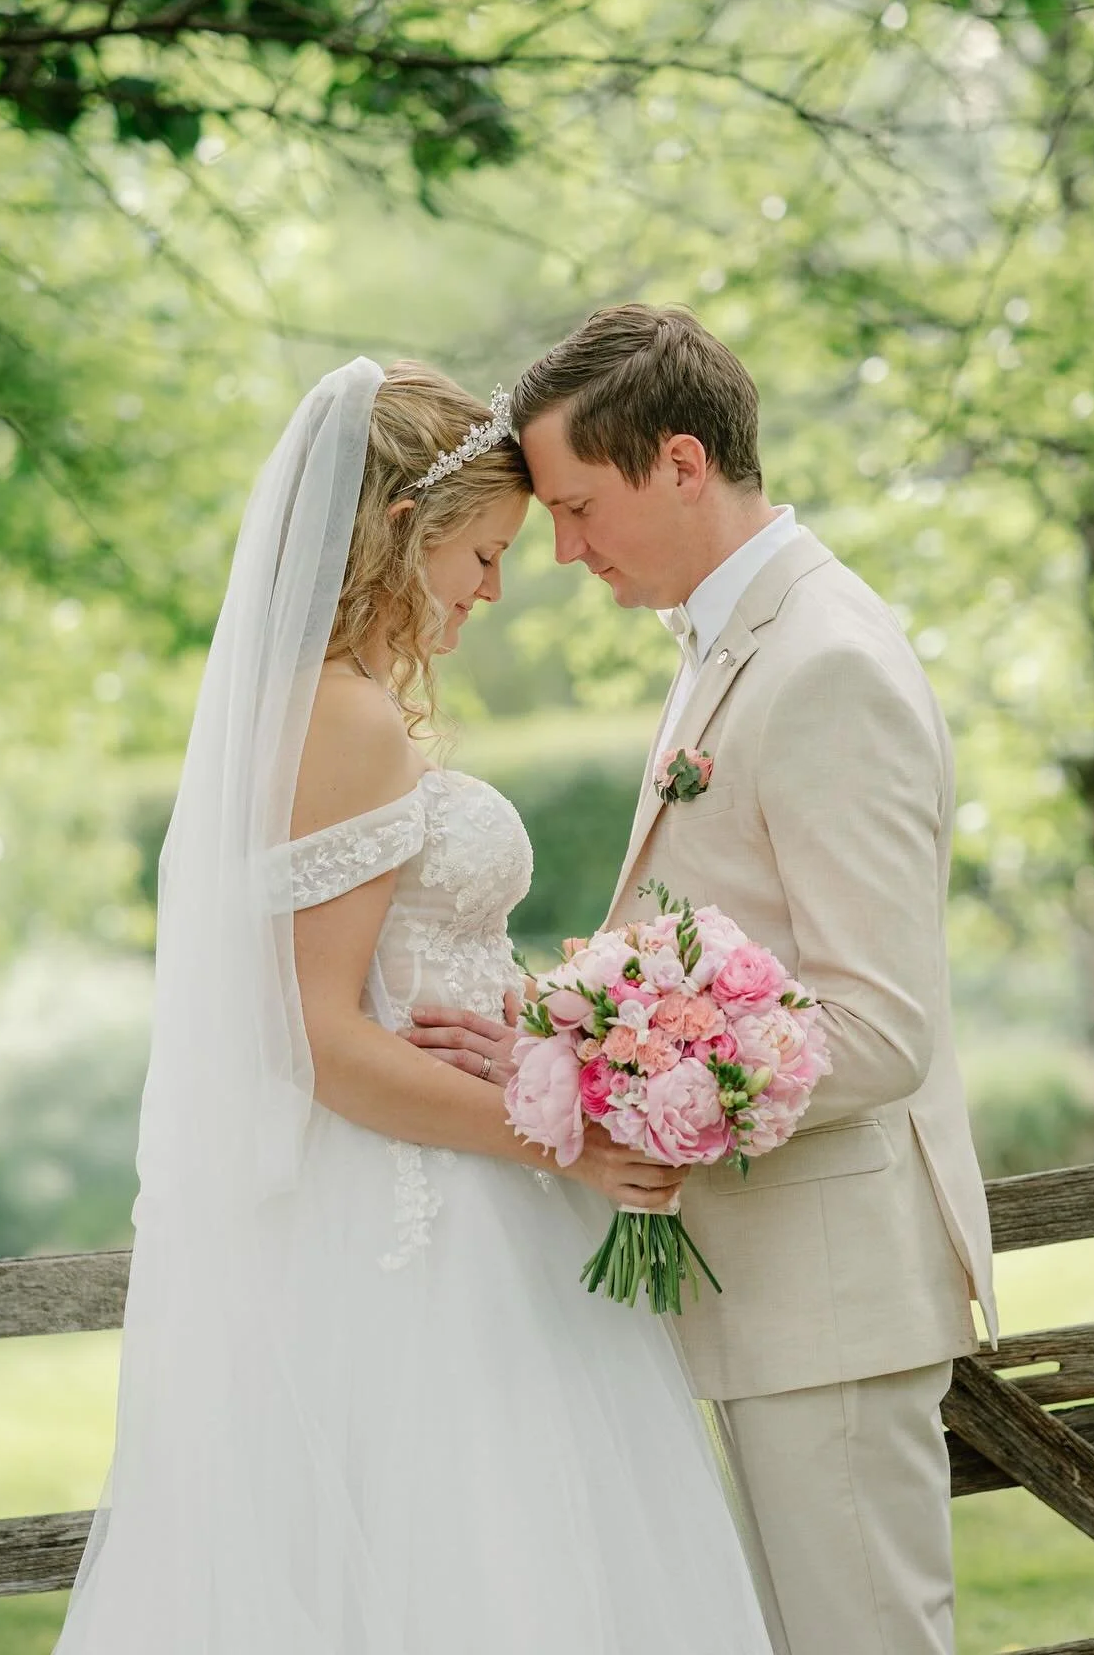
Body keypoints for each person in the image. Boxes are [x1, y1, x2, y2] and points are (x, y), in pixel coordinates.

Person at [51, 356, 774, 1655]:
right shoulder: (345, 721)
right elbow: (324, 1043)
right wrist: (569, 1137)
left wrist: (550, 1046)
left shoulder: (329, 709)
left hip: (447, 1187)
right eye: (484, 553)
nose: (496, 588)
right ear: (401, 533)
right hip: (418, 1230)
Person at [408, 307, 998, 1655]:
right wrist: (553, 1025)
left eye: (578, 505)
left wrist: (597, 1087)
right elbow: (723, 954)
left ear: (680, 463)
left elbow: (877, 1028)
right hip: (760, 1283)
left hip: (827, 1295)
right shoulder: (729, 643)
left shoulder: (827, 663)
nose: (560, 549)